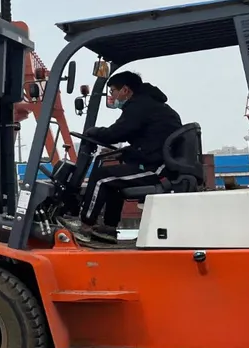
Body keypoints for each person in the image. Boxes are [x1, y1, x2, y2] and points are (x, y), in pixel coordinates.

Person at [75, 71, 183, 242]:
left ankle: (85, 226)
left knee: (101, 177)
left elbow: (116, 133)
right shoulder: (151, 105)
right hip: (157, 162)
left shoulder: (139, 106)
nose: (112, 96)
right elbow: (146, 140)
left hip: (157, 170)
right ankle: (108, 229)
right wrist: (124, 152)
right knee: (113, 183)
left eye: (112, 91)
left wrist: (93, 132)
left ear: (125, 90)